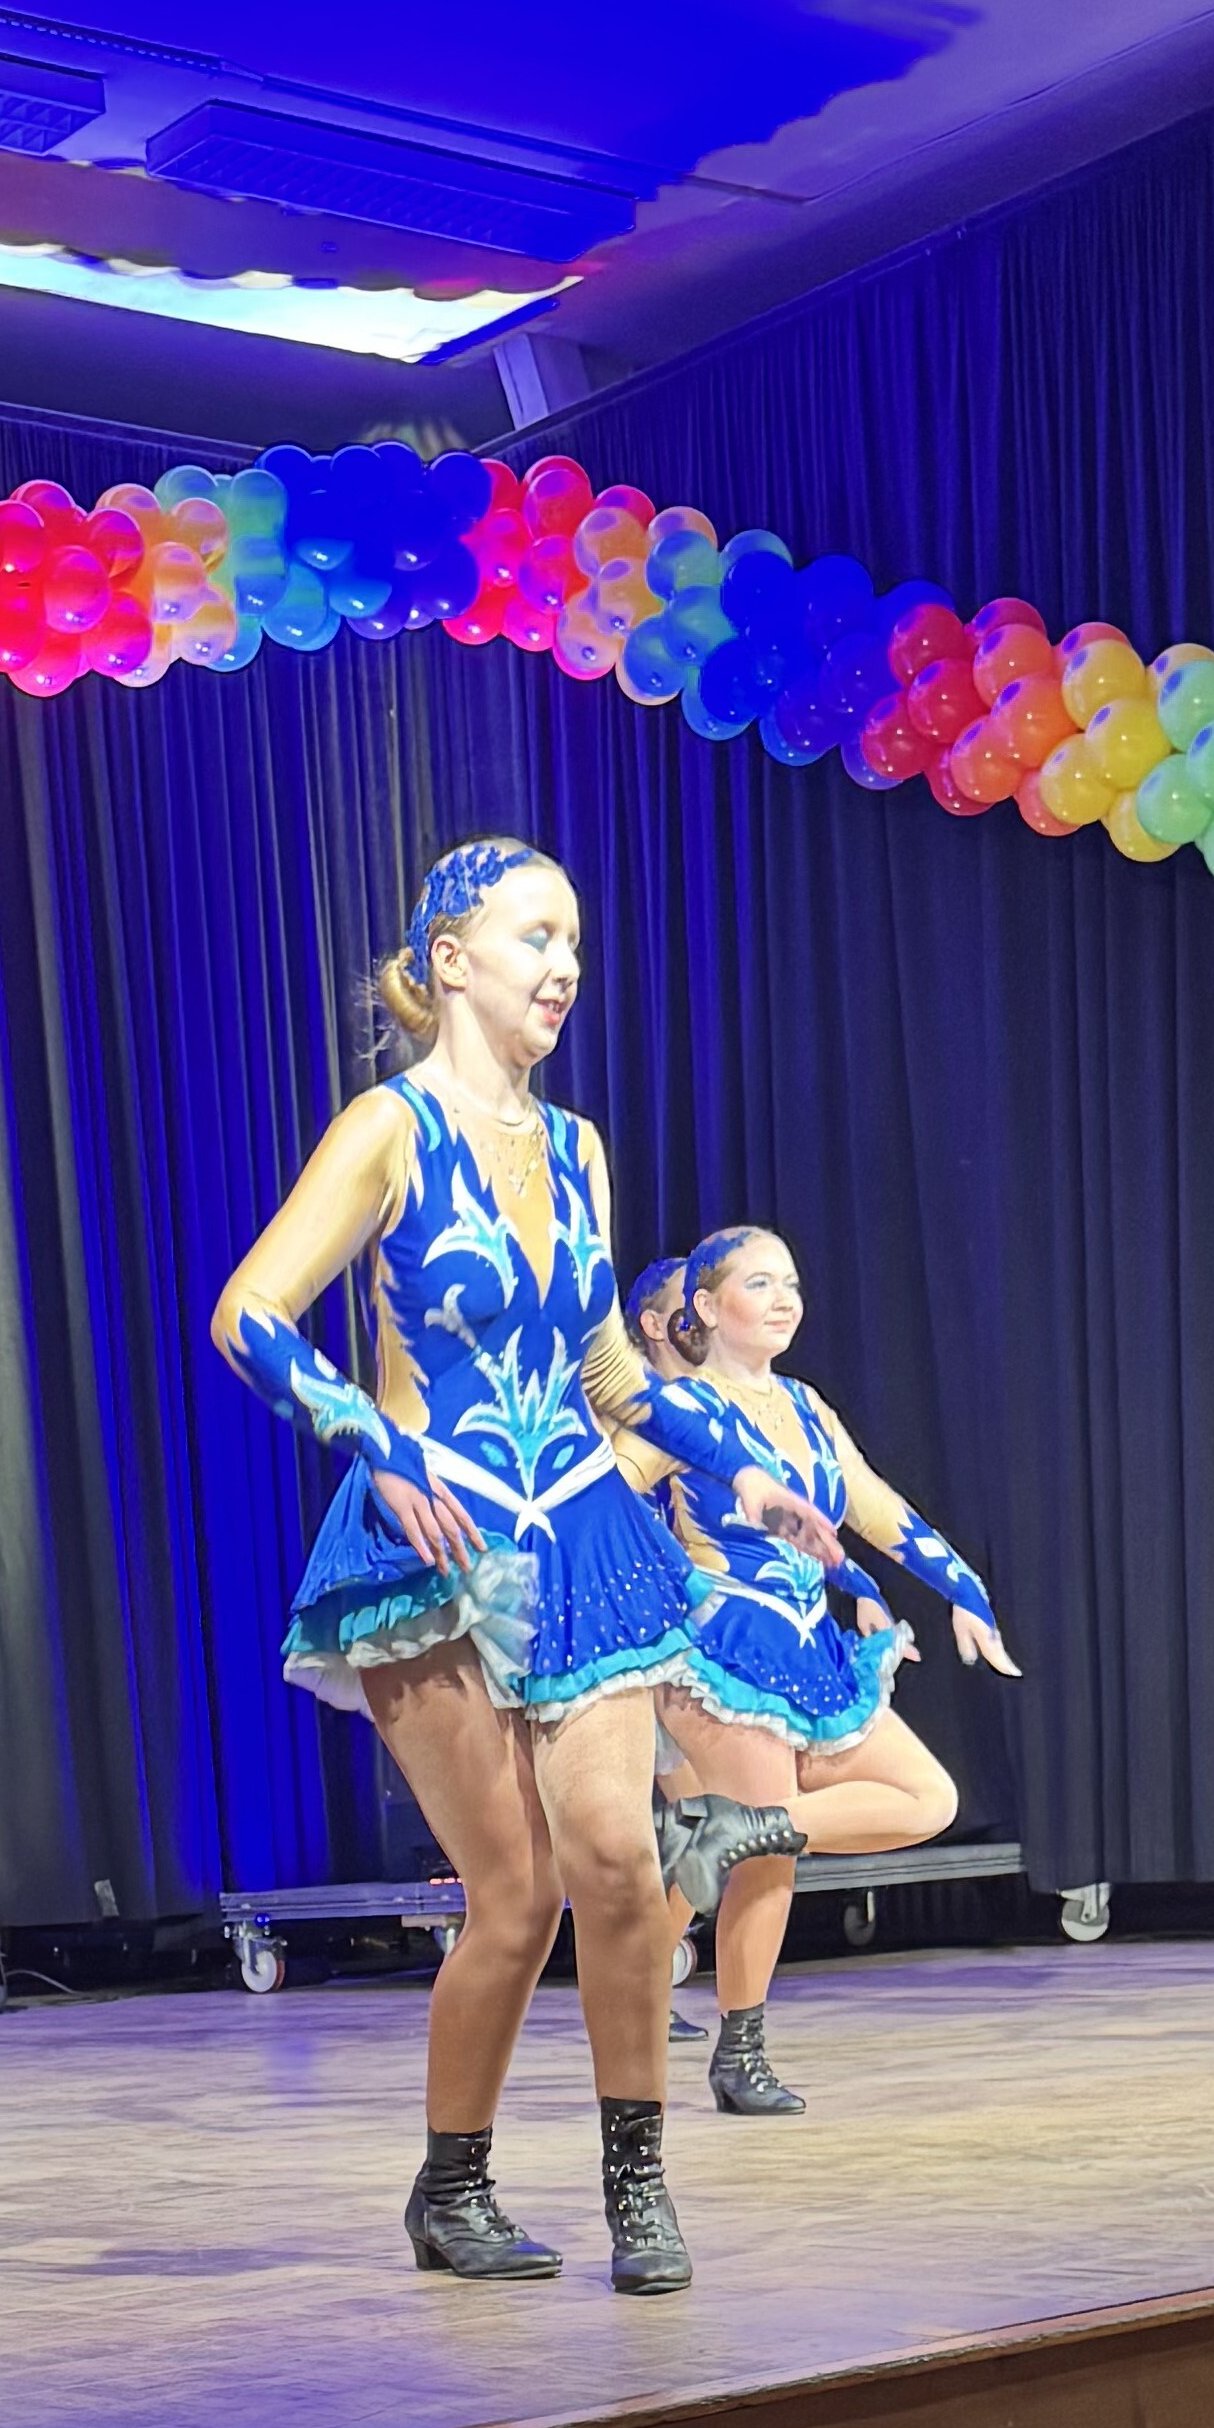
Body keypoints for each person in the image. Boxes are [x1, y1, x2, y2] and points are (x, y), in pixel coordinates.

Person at [210, 840, 844, 2293]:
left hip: (581, 1532)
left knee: (615, 1859)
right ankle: (452, 2189)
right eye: (534, 936)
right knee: (516, 1899)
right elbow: (250, 1313)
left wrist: (739, 1469)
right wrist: (375, 1441)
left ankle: (638, 2184)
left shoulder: (578, 1149)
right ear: (449, 958)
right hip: (434, 1545)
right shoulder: (388, 1129)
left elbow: (609, 1369)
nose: (564, 966)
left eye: (573, 942)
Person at [629, 1225, 1013, 2115]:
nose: (783, 1299)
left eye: (791, 1283)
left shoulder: (804, 1405)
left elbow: (872, 1508)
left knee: (924, 1799)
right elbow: (611, 1490)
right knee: (766, 1862)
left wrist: (963, 1589)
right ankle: (738, 2055)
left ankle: (722, 1837)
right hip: (723, 1650)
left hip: (808, 1651)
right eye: (759, 1284)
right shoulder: (679, 1407)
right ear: (703, 1306)